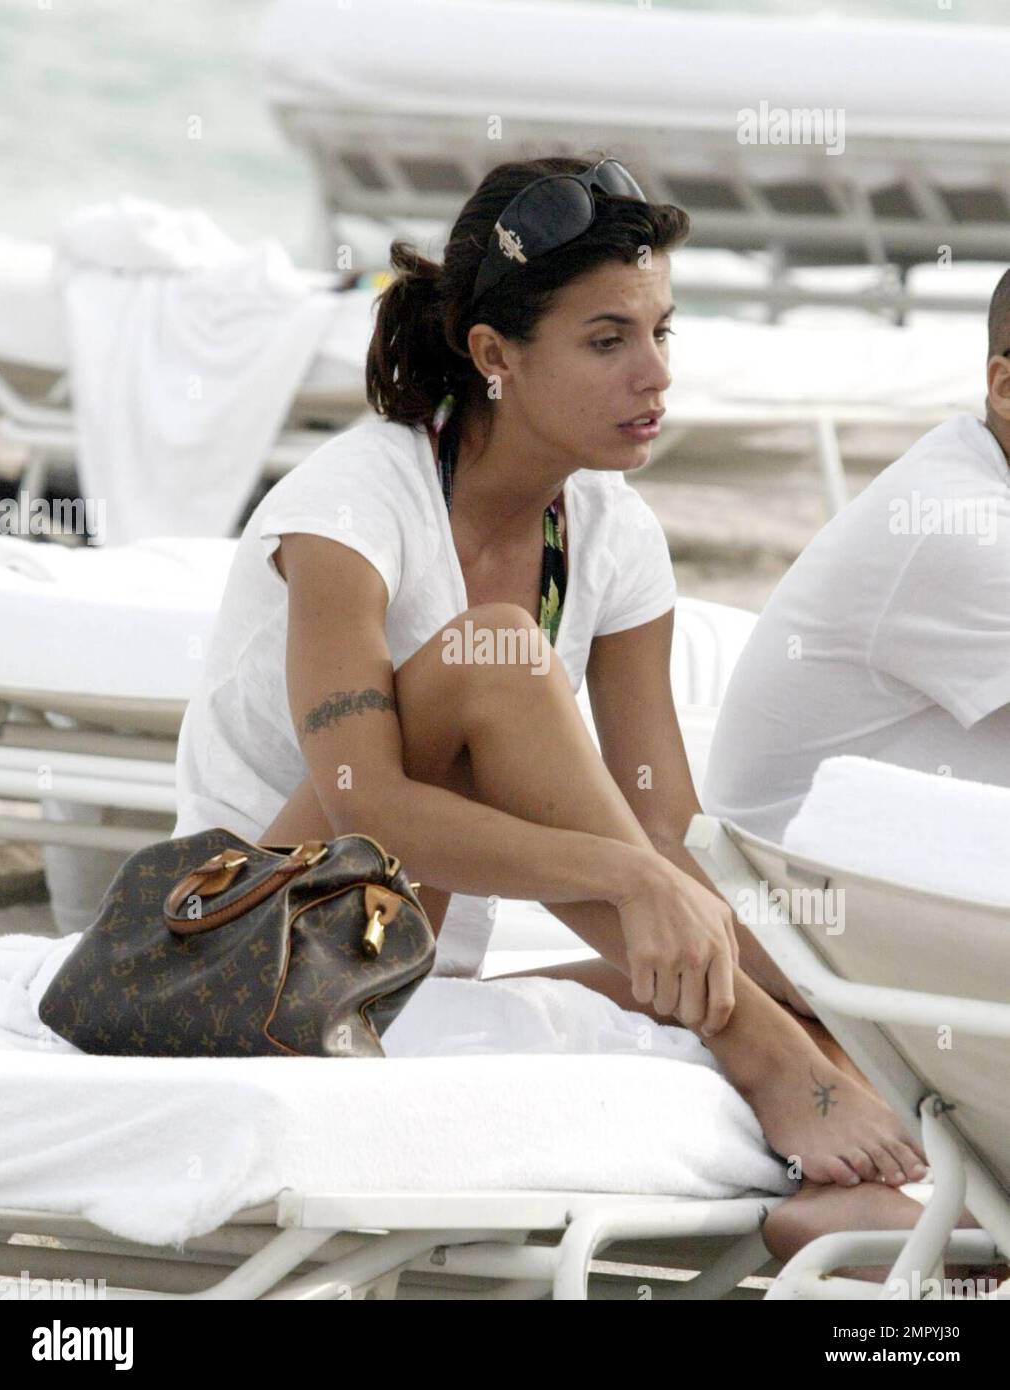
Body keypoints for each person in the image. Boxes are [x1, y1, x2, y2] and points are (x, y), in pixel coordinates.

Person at [172, 155, 931, 1269]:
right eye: (606, 339)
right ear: (492, 356)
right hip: (248, 948)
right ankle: (765, 1057)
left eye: (664, 332)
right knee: (498, 657)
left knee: (792, 969)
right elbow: (362, 800)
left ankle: (852, 1191)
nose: (654, 375)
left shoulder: (612, 534)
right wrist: (629, 884)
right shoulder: (350, 505)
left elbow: (661, 823)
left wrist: (802, 963)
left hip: (403, 967)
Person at [699, 268, 1010, 1277]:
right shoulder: (958, 532)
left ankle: (880, 1220)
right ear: (1003, 387)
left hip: (865, 933)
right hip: (809, 944)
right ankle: (871, 1221)